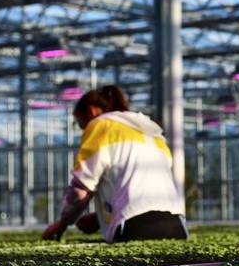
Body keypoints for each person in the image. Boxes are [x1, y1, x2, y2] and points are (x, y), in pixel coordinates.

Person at [42, 84, 188, 243]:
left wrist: (62, 223)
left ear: (91, 111)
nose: (85, 131)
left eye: (82, 125)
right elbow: (142, 187)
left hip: (135, 225)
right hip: (176, 224)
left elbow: (82, 187)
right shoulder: (151, 132)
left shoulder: (101, 126)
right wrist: (101, 217)